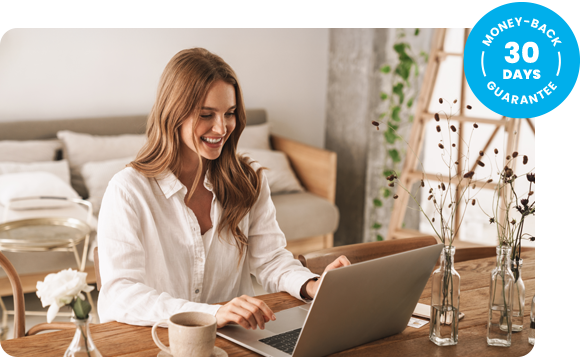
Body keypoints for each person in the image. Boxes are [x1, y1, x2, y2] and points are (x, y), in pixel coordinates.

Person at [97, 48, 350, 330]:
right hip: (158, 341)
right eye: (206, 114)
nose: (221, 128)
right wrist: (210, 313)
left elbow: (269, 259)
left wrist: (312, 285)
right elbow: (120, 294)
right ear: (173, 113)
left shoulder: (248, 180)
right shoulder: (128, 191)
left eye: (229, 113)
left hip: (236, 340)